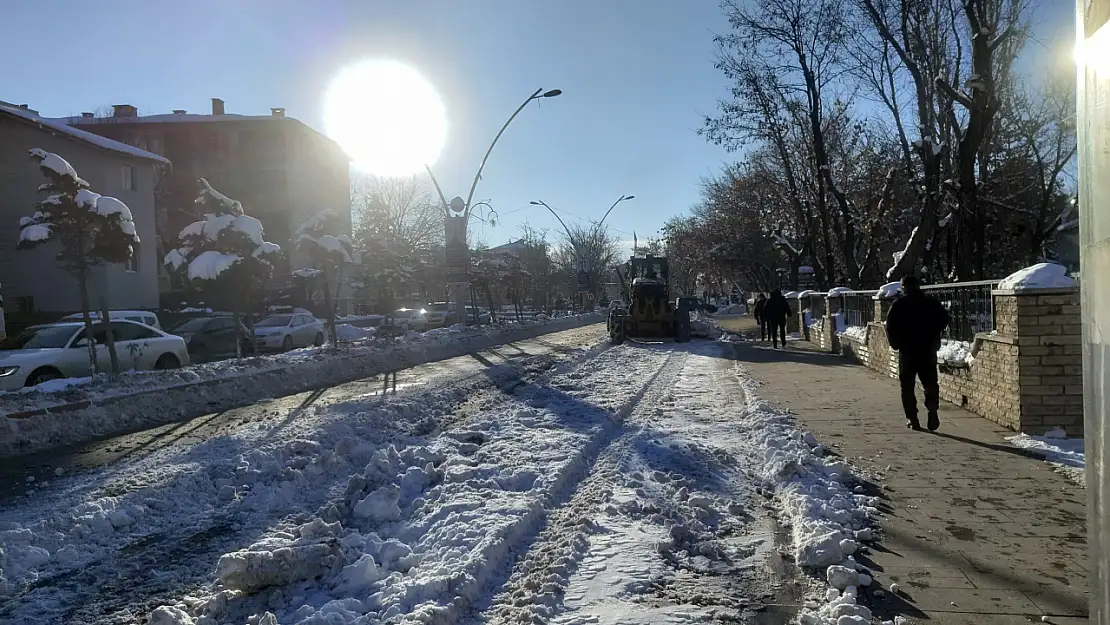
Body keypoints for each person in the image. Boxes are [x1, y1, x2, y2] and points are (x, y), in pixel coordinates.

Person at [885, 274, 951, 431]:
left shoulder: (899, 305)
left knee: (907, 387)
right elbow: (945, 319)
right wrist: (935, 336)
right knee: (930, 383)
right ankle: (932, 408)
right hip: (927, 350)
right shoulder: (931, 303)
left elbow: (890, 327)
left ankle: (912, 419)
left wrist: (896, 343)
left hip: (907, 351)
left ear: (903, 287)